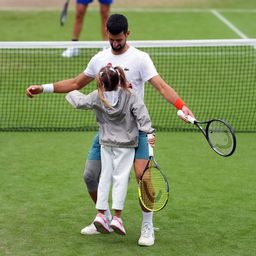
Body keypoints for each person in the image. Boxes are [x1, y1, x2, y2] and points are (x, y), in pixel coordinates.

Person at [26, 13, 194, 246]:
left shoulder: (140, 59)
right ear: (107, 33)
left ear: (128, 34)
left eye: (120, 39)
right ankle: (103, 217)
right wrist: (42, 88)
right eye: (112, 39)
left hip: (136, 131)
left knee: (142, 178)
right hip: (108, 132)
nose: (116, 43)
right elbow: (75, 85)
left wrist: (182, 106)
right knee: (90, 176)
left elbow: (162, 87)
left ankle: (147, 226)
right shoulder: (99, 59)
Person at [66, 65, 155, 235]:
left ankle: (101, 214)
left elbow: (78, 101)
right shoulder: (130, 96)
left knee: (105, 177)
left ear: (101, 83)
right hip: (126, 145)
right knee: (120, 179)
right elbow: (143, 117)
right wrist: (150, 133)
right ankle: (117, 218)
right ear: (120, 79)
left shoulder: (96, 96)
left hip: (106, 144)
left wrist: (71, 90)